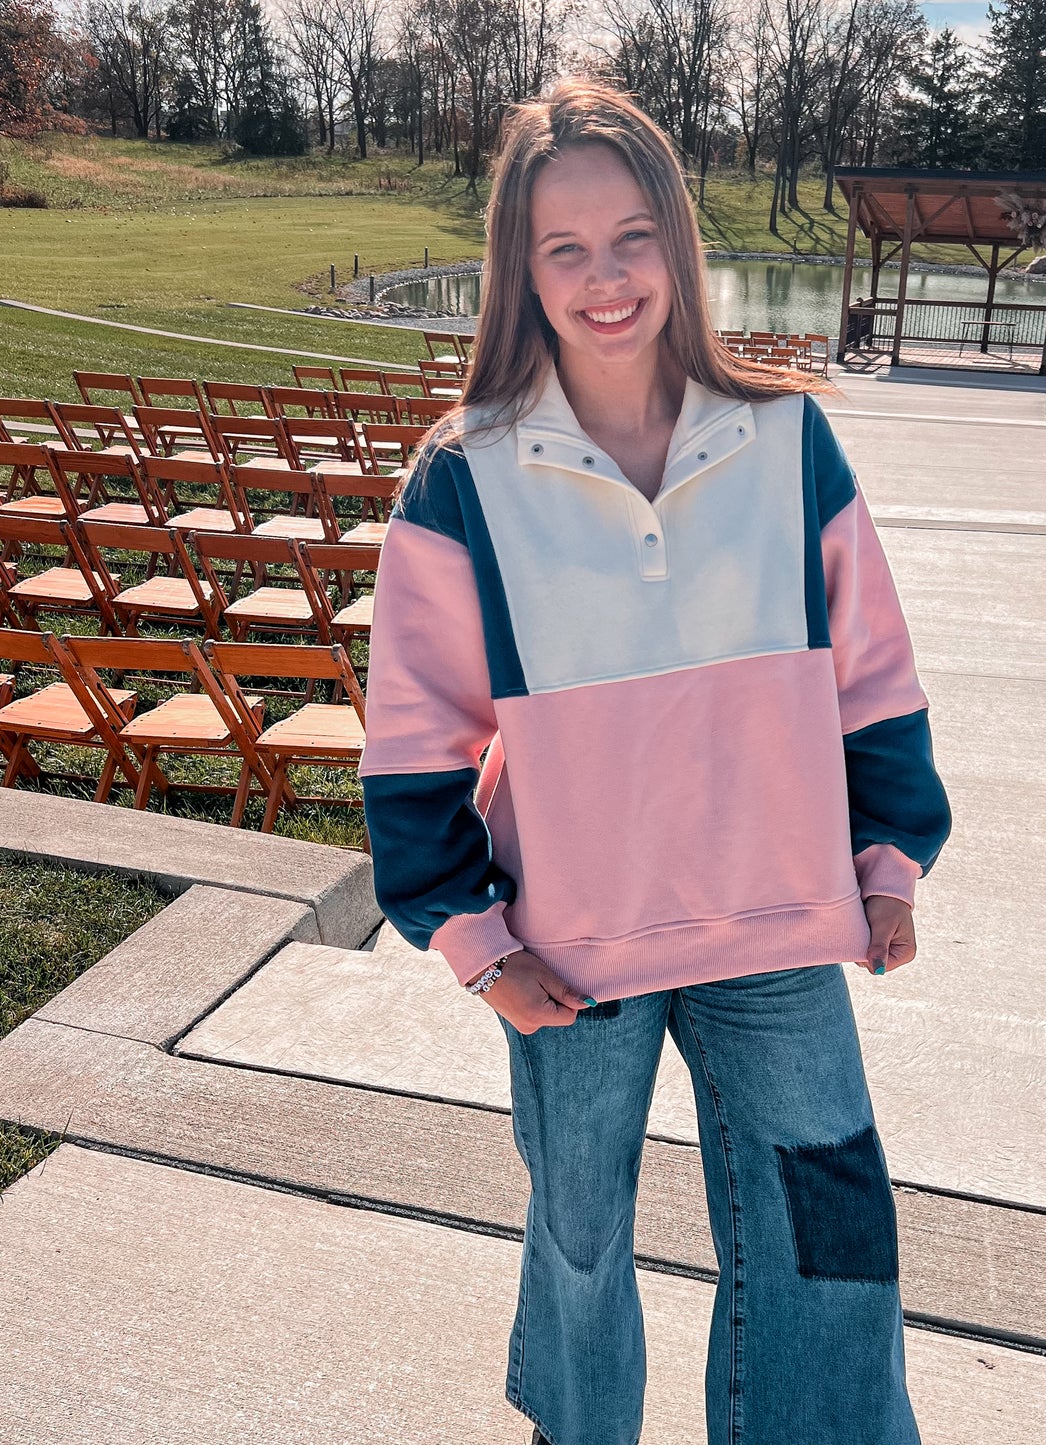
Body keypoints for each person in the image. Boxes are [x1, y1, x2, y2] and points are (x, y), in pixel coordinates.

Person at [360, 76, 952, 1445]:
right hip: (570, 952)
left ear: (677, 244)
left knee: (835, 1222)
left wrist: (889, 860)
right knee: (578, 1239)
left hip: (778, 926)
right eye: (562, 248)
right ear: (520, 270)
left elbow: (871, 676)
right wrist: (467, 932)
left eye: (631, 237)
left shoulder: (790, 440)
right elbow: (415, 734)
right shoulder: (464, 476)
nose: (604, 276)